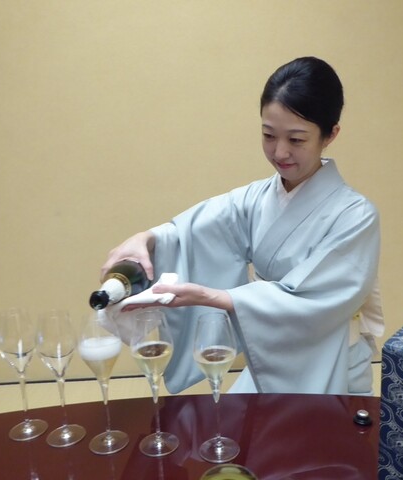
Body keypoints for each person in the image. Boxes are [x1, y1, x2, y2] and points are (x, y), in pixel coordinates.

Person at [99, 56, 384, 395]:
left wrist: (217, 298)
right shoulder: (256, 198)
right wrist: (146, 239)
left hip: (330, 361)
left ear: (330, 134)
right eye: (268, 135)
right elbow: (192, 234)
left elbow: (316, 301)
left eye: (296, 140)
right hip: (270, 359)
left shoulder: (355, 216)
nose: (280, 152)